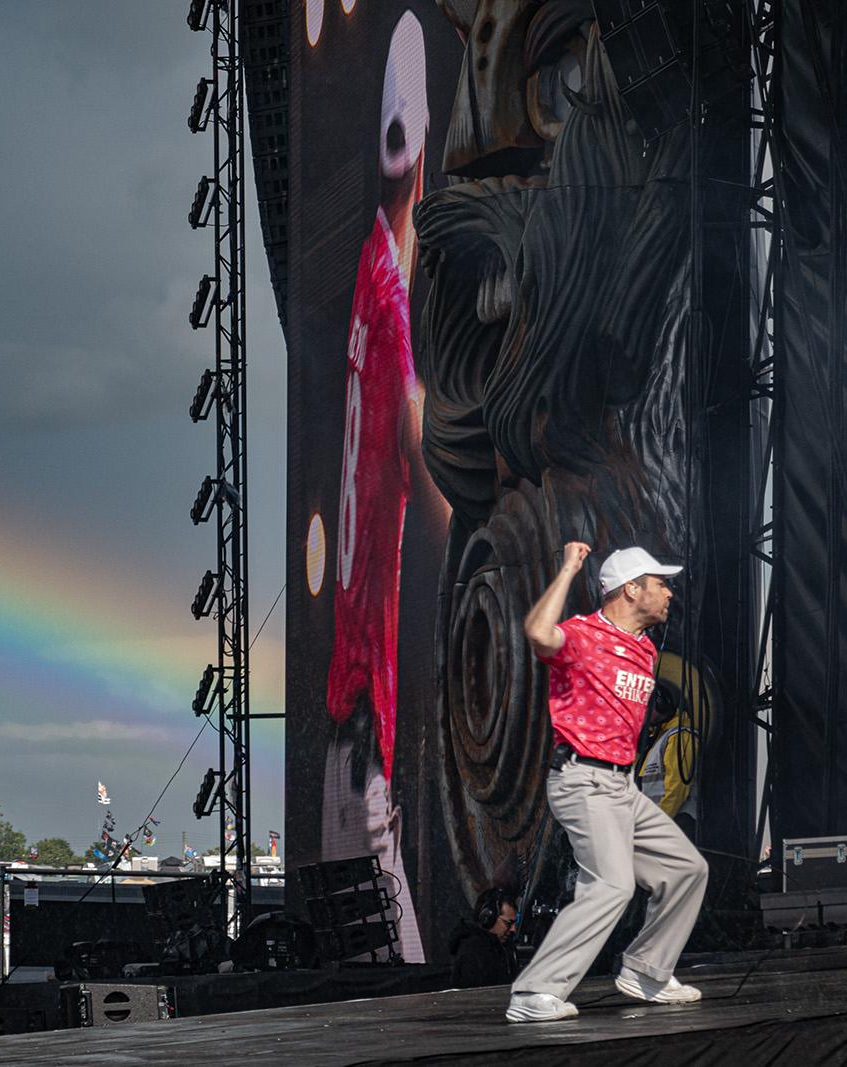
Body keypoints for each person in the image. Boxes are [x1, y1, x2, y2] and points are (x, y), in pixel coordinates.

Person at [321, 8, 438, 964]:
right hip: (368, 704)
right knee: (393, 956)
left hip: (344, 690)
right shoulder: (395, 306)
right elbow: (435, 491)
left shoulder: (368, 256)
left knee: (357, 939)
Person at [505, 544, 709, 1024]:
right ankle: (535, 991)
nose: (669, 593)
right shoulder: (581, 635)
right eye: (661, 584)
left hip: (622, 787)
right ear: (631, 589)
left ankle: (646, 971)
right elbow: (537, 633)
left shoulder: (645, 649)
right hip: (583, 780)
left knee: (687, 869)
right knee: (612, 885)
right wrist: (569, 568)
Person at [637, 673, 699, 841]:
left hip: (676, 822)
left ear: (659, 705)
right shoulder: (657, 739)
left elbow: (677, 787)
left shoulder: (680, 735)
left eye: (644, 706)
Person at [448, 887, 519, 988]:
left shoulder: (504, 948)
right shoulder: (473, 950)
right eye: (508, 923)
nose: (513, 929)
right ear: (488, 918)